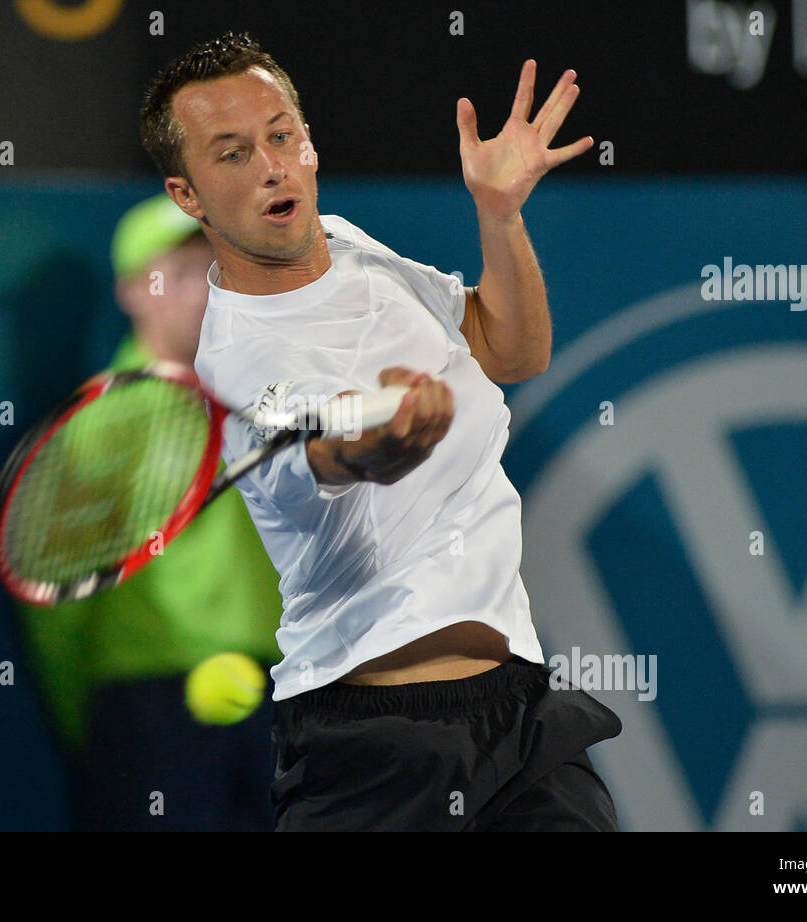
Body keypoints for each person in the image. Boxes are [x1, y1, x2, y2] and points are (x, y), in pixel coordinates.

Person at [137, 31, 623, 831]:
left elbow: (514, 348)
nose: (271, 166)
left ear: (308, 141)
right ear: (187, 196)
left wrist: (499, 217)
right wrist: (390, 440)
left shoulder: (356, 248)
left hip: (520, 715)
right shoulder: (238, 361)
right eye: (231, 154)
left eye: (281, 135)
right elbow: (333, 453)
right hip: (369, 748)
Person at [14, 192, 285, 831]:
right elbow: (54, 606)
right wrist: (110, 718)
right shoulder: (94, 427)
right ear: (132, 291)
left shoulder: (281, 400)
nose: (202, 292)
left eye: (216, 270)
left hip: (287, 699)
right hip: (150, 713)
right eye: (181, 274)